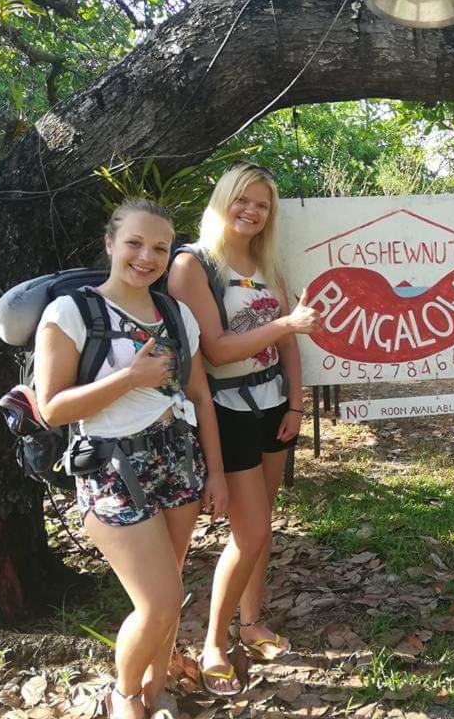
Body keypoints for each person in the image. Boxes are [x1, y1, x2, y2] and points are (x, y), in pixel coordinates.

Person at [34, 198, 228, 719]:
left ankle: (157, 687)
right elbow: (52, 408)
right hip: (111, 467)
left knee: (173, 584)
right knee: (160, 601)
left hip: (177, 457)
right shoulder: (71, 312)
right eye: (135, 243)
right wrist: (130, 377)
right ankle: (123, 695)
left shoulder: (175, 313)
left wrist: (217, 474)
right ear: (110, 244)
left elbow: (201, 397)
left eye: (160, 248)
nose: (147, 256)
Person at [168, 163, 320, 695]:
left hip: (272, 403)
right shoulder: (193, 265)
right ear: (223, 201)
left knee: (264, 523)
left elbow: (287, 345)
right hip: (225, 409)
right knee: (250, 531)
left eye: (263, 205)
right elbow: (215, 348)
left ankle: (252, 622)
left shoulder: (264, 262)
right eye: (244, 201)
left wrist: (296, 405)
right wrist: (287, 323)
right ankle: (214, 641)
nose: (252, 212)